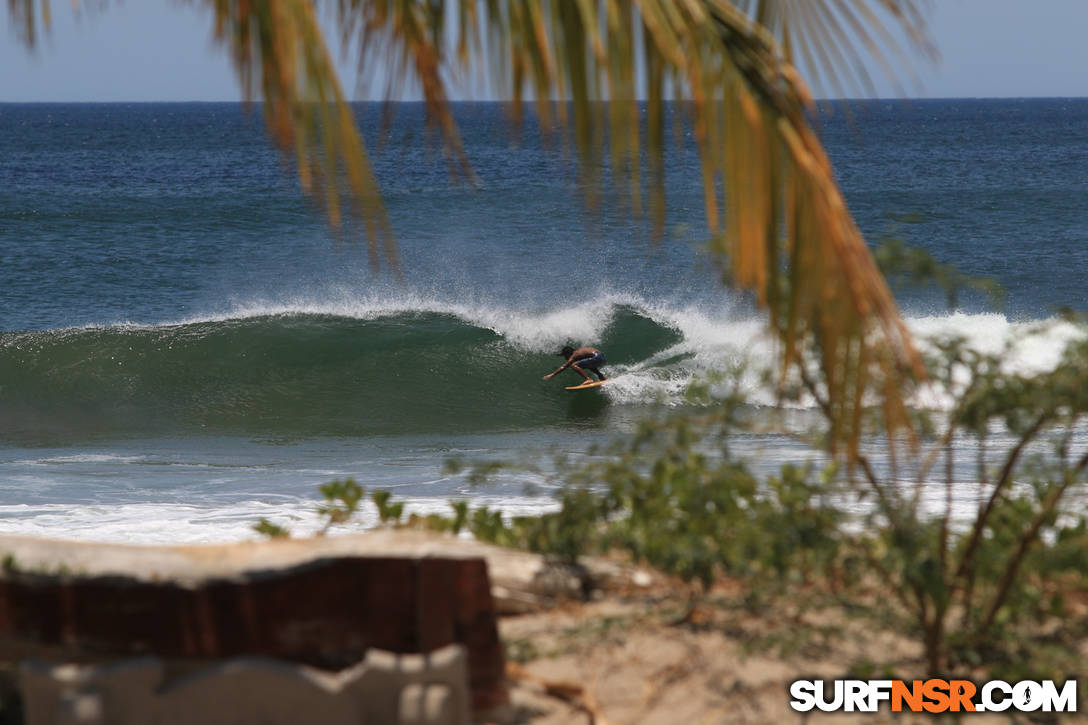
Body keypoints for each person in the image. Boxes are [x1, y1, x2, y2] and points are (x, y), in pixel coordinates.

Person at [543, 345, 608, 384]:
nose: (565, 357)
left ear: (568, 353)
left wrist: (552, 374)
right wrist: (560, 354)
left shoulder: (574, 355)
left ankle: (588, 379)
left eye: (565, 355)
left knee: (574, 365)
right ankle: (601, 377)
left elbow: (564, 366)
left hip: (597, 357)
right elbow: (567, 352)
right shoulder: (579, 351)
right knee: (587, 364)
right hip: (602, 358)